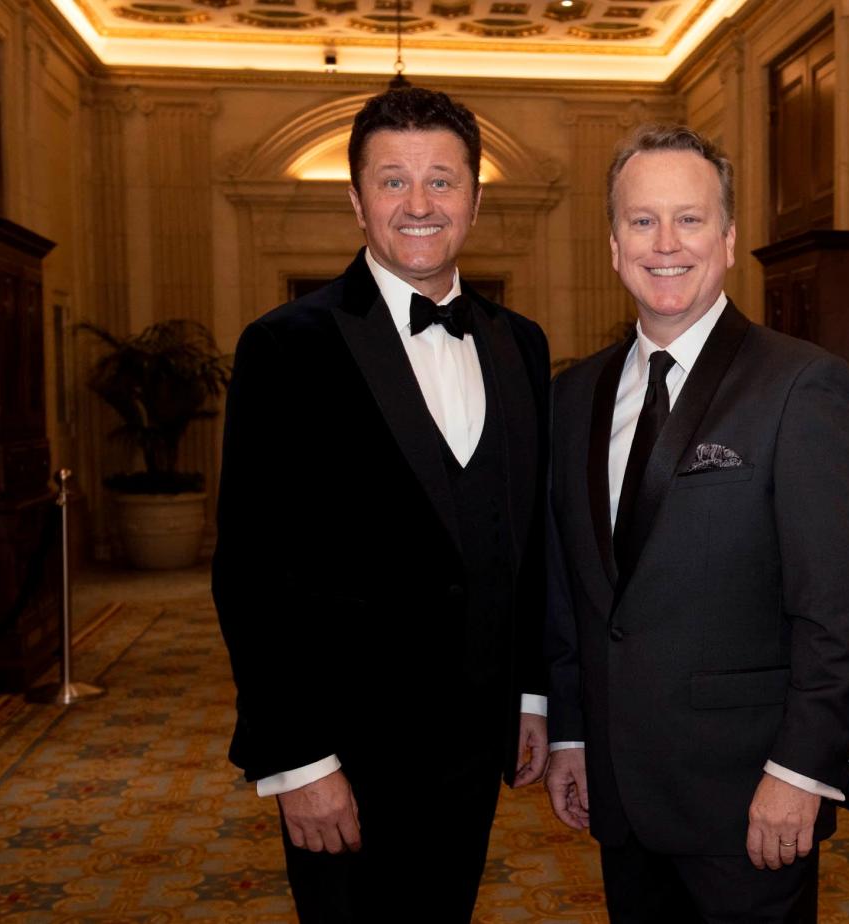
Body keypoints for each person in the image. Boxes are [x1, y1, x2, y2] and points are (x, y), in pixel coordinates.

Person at [212, 87, 550, 924]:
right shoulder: (287, 345)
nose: (420, 203)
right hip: (346, 756)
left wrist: (532, 697)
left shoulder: (520, 344)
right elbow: (251, 571)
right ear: (356, 201)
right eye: (393, 181)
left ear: (474, 196)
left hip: (477, 744)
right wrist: (298, 762)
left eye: (442, 180)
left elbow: (527, 537)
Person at [543, 124, 849, 923]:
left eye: (689, 219)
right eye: (641, 221)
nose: (666, 243)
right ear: (613, 244)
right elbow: (571, 589)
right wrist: (570, 735)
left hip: (748, 799)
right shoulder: (574, 396)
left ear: (728, 239)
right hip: (620, 797)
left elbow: (841, 610)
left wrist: (800, 773)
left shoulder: (801, 386)